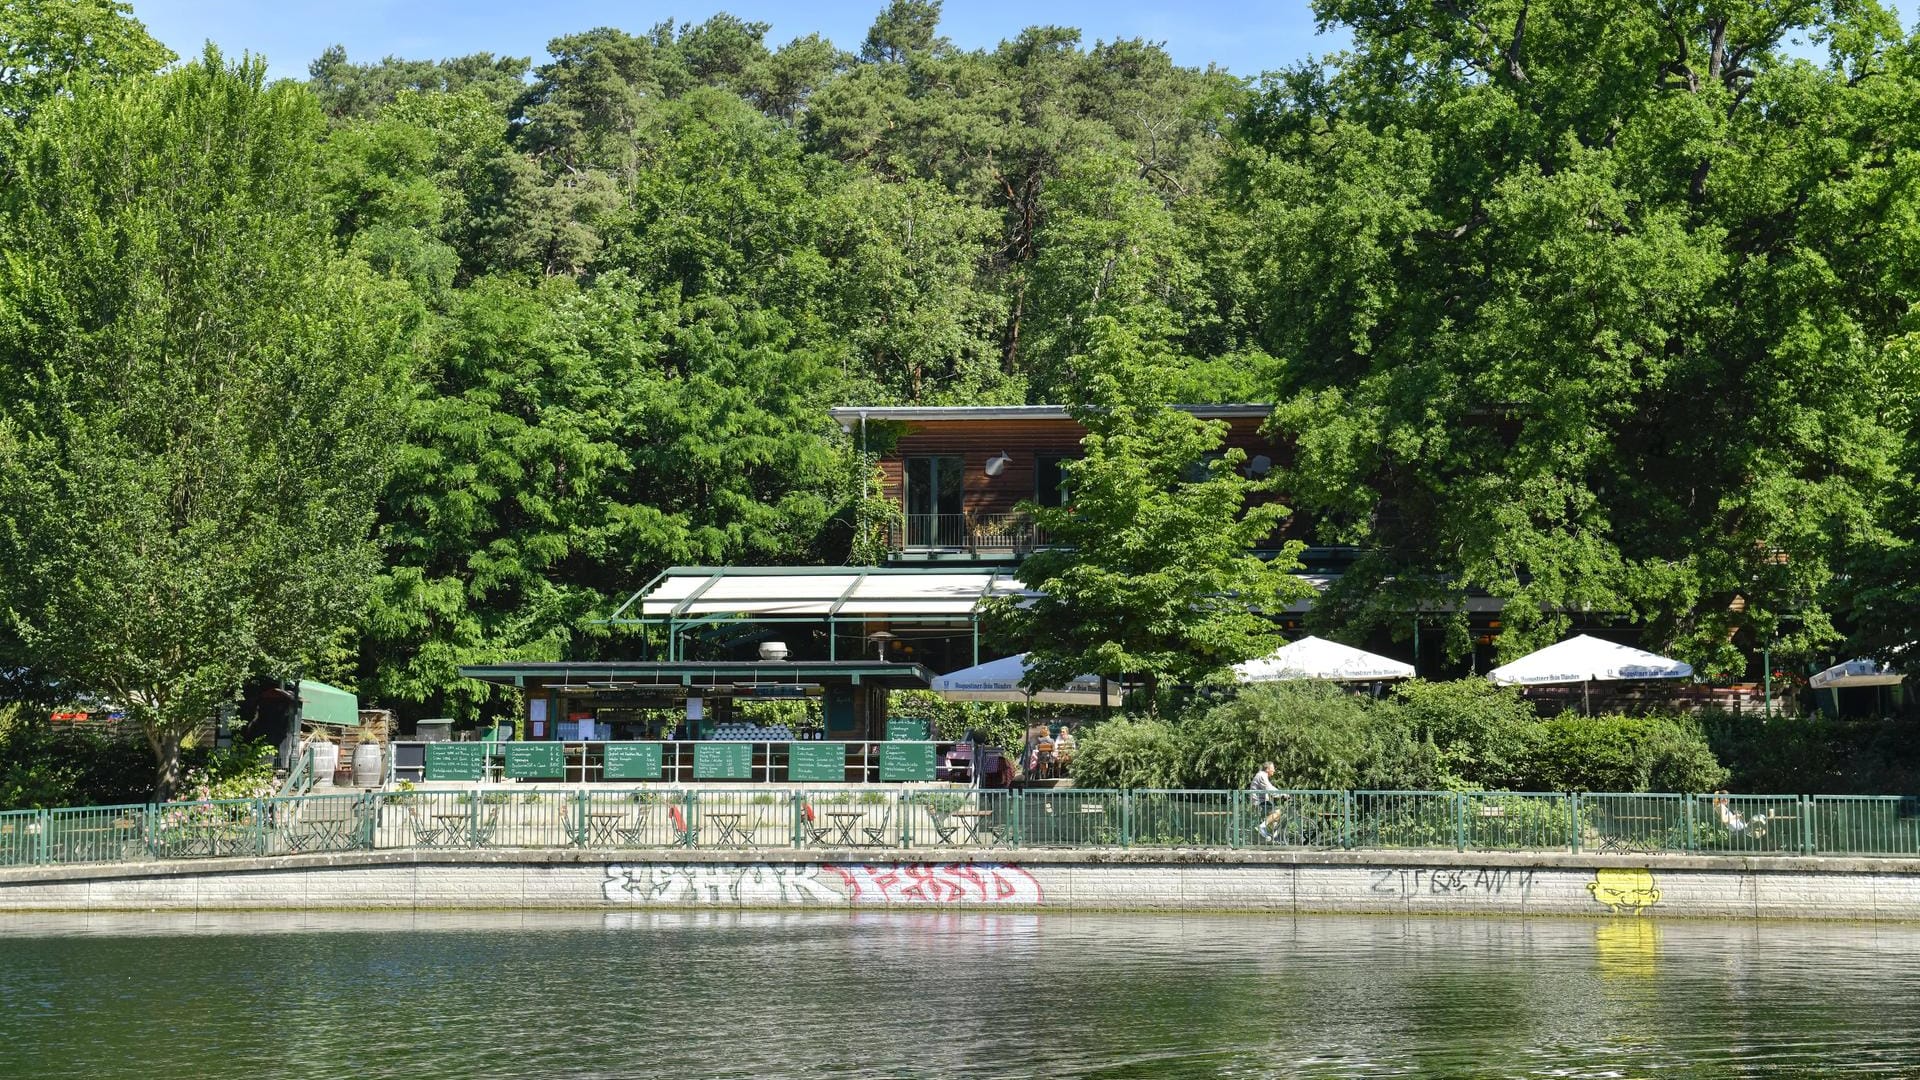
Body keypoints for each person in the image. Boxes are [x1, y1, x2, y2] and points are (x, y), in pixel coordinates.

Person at [1250, 762, 1287, 842]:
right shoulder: (1262, 776)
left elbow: (1270, 788)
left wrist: (1281, 794)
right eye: (1272, 768)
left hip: (1262, 800)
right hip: (1259, 801)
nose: (1274, 770)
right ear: (1267, 769)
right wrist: (1283, 794)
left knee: (1276, 817)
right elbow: (1269, 788)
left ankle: (1273, 837)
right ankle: (1262, 827)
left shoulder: (1263, 775)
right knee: (1278, 812)